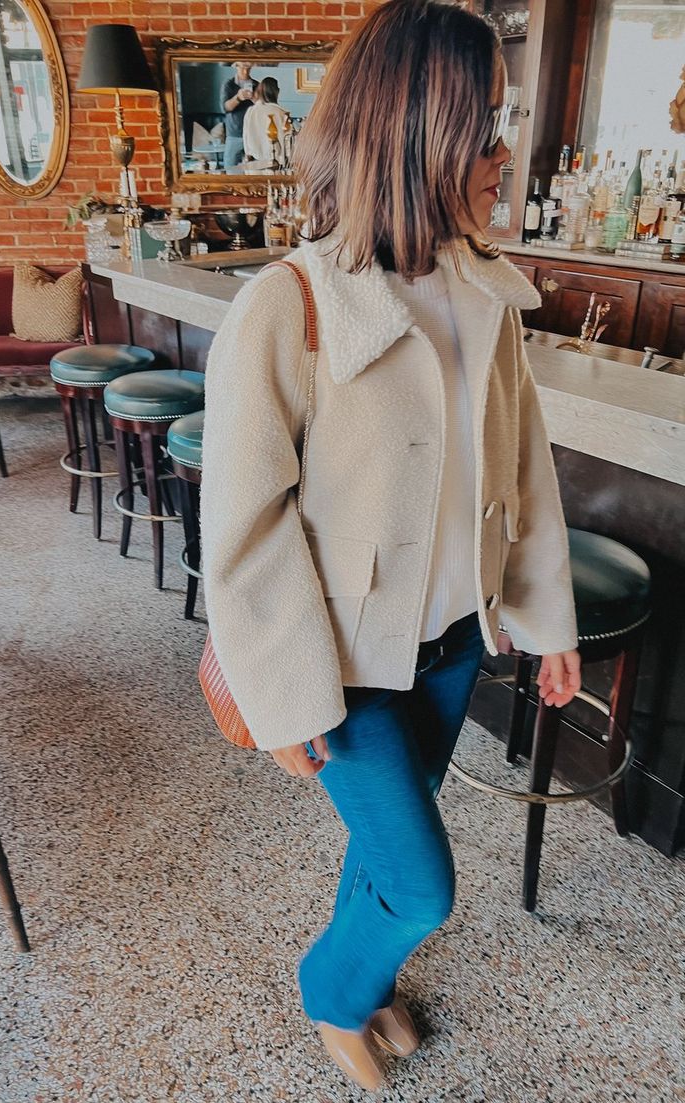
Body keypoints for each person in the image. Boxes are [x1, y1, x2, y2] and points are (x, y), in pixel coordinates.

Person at [201, 0, 581, 1093]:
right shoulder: (288, 306)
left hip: (452, 642)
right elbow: (245, 523)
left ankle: (363, 990)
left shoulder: (486, 294)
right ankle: (334, 988)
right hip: (341, 669)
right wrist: (288, 697)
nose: (505, 155)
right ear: (416, 132)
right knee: (422, 887)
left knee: (385, 846)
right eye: (488, 128)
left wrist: (541, 618)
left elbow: (522, 472)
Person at [242, 76, 289, 164]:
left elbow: (245, 138)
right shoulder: (281, 113)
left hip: (254, 164)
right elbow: (287, 143)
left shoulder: (250, 111)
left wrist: (248, 156)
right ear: (277, 92)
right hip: (276, 163)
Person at [221, 61, 259, 168]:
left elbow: (263, 108)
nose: (245, 71)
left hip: (254, 134)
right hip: (234, 134)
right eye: (243, 67)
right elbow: (225, 108)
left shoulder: (257, 85)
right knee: (231, 168)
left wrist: (255, 99)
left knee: (256, 169)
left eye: (248, 68)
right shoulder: (228, 85)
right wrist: (238, 98)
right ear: (236, 66)